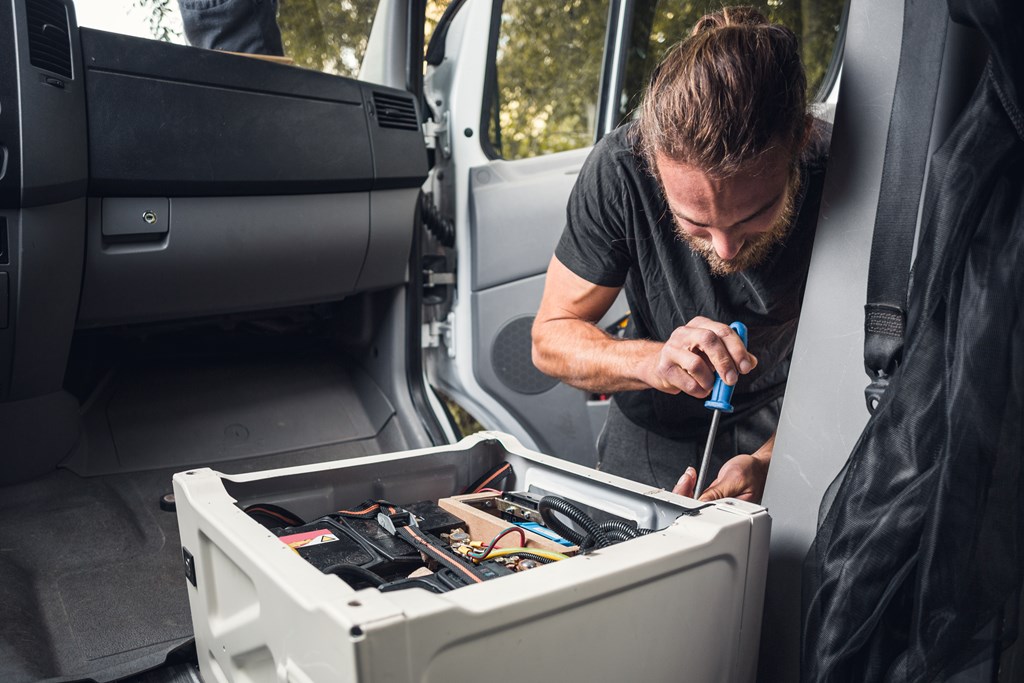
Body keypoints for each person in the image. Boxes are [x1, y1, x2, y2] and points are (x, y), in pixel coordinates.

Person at [531, 6, 830, 503]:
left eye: (755, 214)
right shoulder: (620, 170)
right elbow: (549, 337)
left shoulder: (839, 175)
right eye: (696, 223)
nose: (727, 249)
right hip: (651, 421)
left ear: (798, 140)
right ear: (650, 157)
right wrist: (654, 362)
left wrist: (768, 462)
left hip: (788, 413)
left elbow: (865, 365)